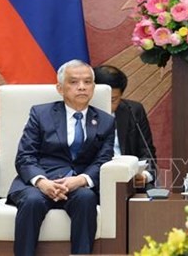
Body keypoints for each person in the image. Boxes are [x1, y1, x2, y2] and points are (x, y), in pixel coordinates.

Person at [7, 60, 115, 256]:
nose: (82, 87)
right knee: (32, 201)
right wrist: (42, 182)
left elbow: (104, 160)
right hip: (40, 182)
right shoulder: (41, 114)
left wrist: (80, 180)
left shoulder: (106, 121)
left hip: (78, 183)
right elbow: (25, 155)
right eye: (73, 82)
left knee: (86, 198)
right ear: (60, 88)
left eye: (88, 82)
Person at [93, 65, 158, 189]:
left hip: (127, 176)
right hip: (93, 178)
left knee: (150, 193)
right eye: (102, 98)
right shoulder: (80, 114)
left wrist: (144, 175)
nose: (107, 104)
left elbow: (147, 152)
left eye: (113, 100)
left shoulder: (133, 111)